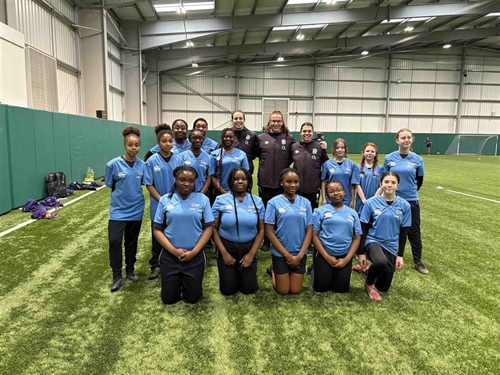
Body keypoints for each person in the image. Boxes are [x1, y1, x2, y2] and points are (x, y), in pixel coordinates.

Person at [153, 166, 214, 304]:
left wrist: (194, 252)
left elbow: (209, 228)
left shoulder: (202, 199)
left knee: (193, 299)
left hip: (194, 256)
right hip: (170, 256)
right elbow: (157, 229)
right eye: (182, 180)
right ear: (175, 180)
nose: (187, 184)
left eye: (191, 181)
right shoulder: (165, 200)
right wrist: (174, 251)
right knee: (168, 299)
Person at [105, 126, 148, 292]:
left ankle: (130, 270)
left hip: (136, 209)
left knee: (131, 242)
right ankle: (117, 276)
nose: (134, 148)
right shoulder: (113, 165)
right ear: (125, 145)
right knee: (114, 242)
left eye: (136, 145)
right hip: (118, 211)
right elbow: (110, 184)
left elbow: (143, 184)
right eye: (130, 145)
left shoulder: (142, 165)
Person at [358, 172, 411, 301]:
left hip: (391, 245)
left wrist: (400, 255)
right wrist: (361, 253)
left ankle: (368, 269)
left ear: (398, 185)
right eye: (386, 182)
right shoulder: (370, 203)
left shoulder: (405, 205)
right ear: (381, 184)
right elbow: (363, 228)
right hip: (373, 241)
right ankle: (369, 283)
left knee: (383, 287)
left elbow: (404, 232)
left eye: (393, 183)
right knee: (381, 262)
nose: (389, 185)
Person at [212, 168, 265, 295]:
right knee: (228, 291)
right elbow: (213, 228)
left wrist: (251, 254)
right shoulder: (220, 200)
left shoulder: (257, 201)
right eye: (236, 179)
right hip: (227, 246)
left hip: (248, 247)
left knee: (249, 290)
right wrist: (223, 253)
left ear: (249, 181)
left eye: (243, 179)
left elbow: (261, 229)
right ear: (231, 181)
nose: (240, 181)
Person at [383, 128, 429, 274]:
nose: (406, 140)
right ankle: (386, 257)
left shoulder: (417, 159)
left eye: (408, 137)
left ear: (411, 140)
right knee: (388, 228)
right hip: (392, 199)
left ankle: (418, 262)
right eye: (403, 138)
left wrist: (410, 191)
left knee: (413, 231)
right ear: (397, 140)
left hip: (410, 200)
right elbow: (385, 179)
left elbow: (419, 180)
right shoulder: (389, 158)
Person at [265, 168, 312, 295]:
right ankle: (273, 271)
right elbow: (269, 231)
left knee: (295, 290)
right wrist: (286, 255)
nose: (292, 185)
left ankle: (288, 271)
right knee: (283, 291)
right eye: (288, 182)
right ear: (281, 183)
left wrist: (301, 255)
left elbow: (309, 231)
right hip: (281, 253)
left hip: (299, 253)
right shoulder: (273, 203)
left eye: (296, 182)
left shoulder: (306, 203)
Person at [144, 127, 182, 280]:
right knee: (157, 235)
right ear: (158, 143)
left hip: (177, 203)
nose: (167, 144)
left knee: (175, 233)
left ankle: (173, 261)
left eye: (170, 141)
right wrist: (161, 199)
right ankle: (156, 265)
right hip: (158, 204)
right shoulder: (152, 161)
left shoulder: (178, 159)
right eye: (164, 141)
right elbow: (149, 183)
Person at [311, 181, 361, 293]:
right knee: (321, 288)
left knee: (341, 289)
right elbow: (314, 236)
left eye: (338, 190)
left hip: (344, 255)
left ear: (344, 192)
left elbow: (357, 237)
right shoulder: (320, 211)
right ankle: (313, 269)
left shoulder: (352, 213)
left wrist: (347, 259)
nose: (335, 193)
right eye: (331, 191)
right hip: (324, 254)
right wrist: (327, 257)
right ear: (327, 195)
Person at [258, 110, 295, 251]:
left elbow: (294, 155)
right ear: (269, 122)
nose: (276, 123)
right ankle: (267, 240)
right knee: (268, 212)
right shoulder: (261, 138)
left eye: (279, 121)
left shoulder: (289, 138)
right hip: (265, 183)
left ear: (282, 122)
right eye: (273, 121)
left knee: (282, 212)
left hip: (282, 184)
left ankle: (280, 239)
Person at [352, 142, 383, 273]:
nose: (370, 153)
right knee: (360, 230)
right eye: (367, 151)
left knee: (372, 229)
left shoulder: (380, 169)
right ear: (363, 153)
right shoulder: (357, 168)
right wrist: (364, 199)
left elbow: (382, 185)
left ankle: (370, 256)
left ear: (376, 154)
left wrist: (372, 200)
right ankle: (360, 255)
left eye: (372, 151)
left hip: (374, 204)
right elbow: (356, 185)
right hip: (361, 203)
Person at [291, 122, 328, 210]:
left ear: (313, 133)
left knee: (312, 215)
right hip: (297, 189)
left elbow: (327, 165)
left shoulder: (319, 147)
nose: (306, 133)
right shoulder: (294, 147)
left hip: (313, 189)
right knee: (297, 214)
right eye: (304, 131)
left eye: (309, 131)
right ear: (300, 132)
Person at [211, 128, 250, 197]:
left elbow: (246, 175)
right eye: (225, 136)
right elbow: (212, 175)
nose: (228, 139)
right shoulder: (214, 154)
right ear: (222, 138)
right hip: (219, 191)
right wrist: (221, 190)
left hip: (237, 191)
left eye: (230, 137)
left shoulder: (241, 154)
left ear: (234, 138)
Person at [321, 138, 356, 208]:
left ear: (345, 149)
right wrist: (324, 198)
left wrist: (352, 199)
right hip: (331, 199)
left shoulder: (351, 164)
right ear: (334, 149)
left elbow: (352, 185)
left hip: (346, 199)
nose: (340, 150)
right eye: (337, 148)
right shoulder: (327, 164)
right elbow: (324, 182)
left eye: (342, 148)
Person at [178, 129, 214, 194]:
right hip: (186, 192)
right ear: (189, 140)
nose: (197, 140)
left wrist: (202, 193)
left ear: (203, 139)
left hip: (202, 192)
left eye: (200, 138)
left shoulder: (208, 157)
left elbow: (209, 177)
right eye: (194, 138)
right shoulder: (182, 156)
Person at [231, 110, 260, 176]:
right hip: (230, 171)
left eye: (240, 118)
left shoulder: (252, 135)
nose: (238, 120)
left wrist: (248, 157)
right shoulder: (227, 134)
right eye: (235, 118)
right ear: (232, 120)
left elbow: (256, 152)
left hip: (247, 171)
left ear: (244, 120)